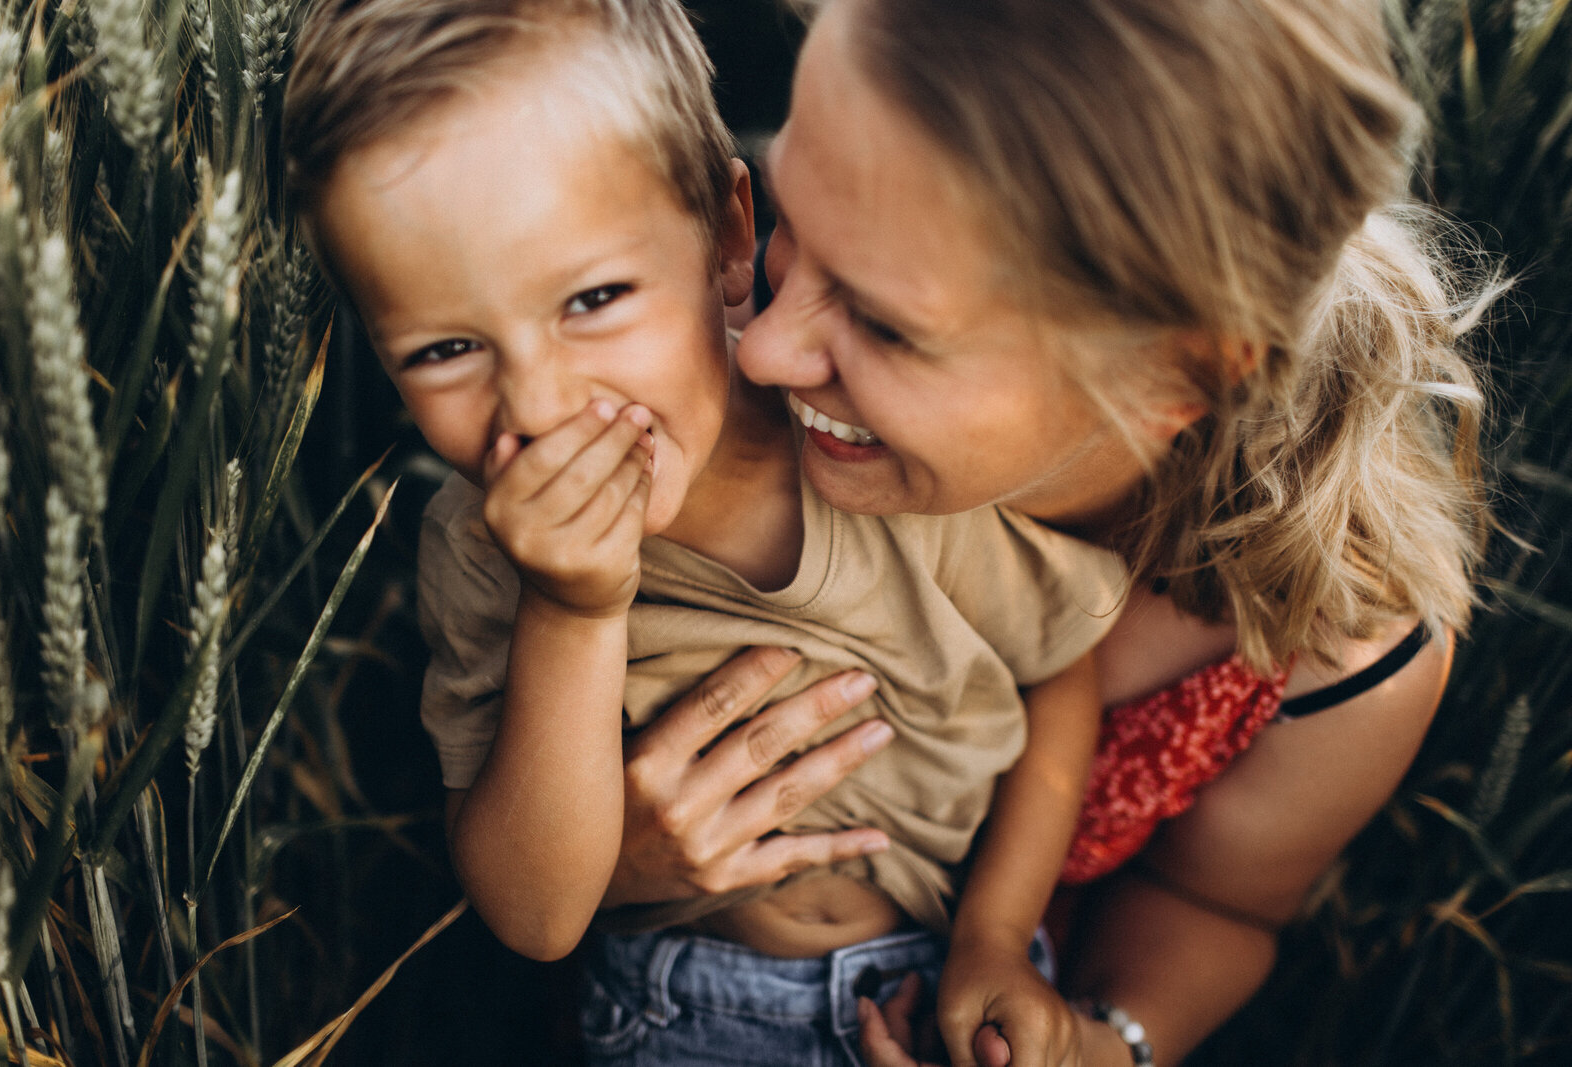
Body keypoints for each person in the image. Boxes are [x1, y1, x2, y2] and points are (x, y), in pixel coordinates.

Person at [601, 0, 1496, 1064]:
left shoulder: (1335, 641)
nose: (763, 351)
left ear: (1184, 371)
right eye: (795, 210)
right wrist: (618, 863)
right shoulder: (679, 386)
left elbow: (1216, 910)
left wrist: (1101, 1043)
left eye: (887, 324)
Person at [282, 1, 1134, 1062]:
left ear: (732, 237)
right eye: (445, 348)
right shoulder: (482, 548)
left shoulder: (864, 451)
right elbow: (538, 915)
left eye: (592, 297)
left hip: (947, 987)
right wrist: (575, 605)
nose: (540, 402)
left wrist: (1000, 935)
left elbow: (1056, 670)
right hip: (682, 1015)